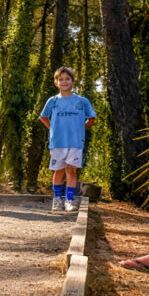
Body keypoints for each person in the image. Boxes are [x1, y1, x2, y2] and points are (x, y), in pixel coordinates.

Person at [38, 67, 97, 212]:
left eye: (67, 79)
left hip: (76, 142)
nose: (64, 82)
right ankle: (57, 200)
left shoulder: (81, 101)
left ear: (72, 81)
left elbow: (92, 118)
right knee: (58, 171)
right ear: (56, 82)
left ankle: (69, 201)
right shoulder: (52, 101)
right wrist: (53, 129)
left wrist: (80, 129)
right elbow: (43, 117)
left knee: (71, 170)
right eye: (61, 79)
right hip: (57, 142)